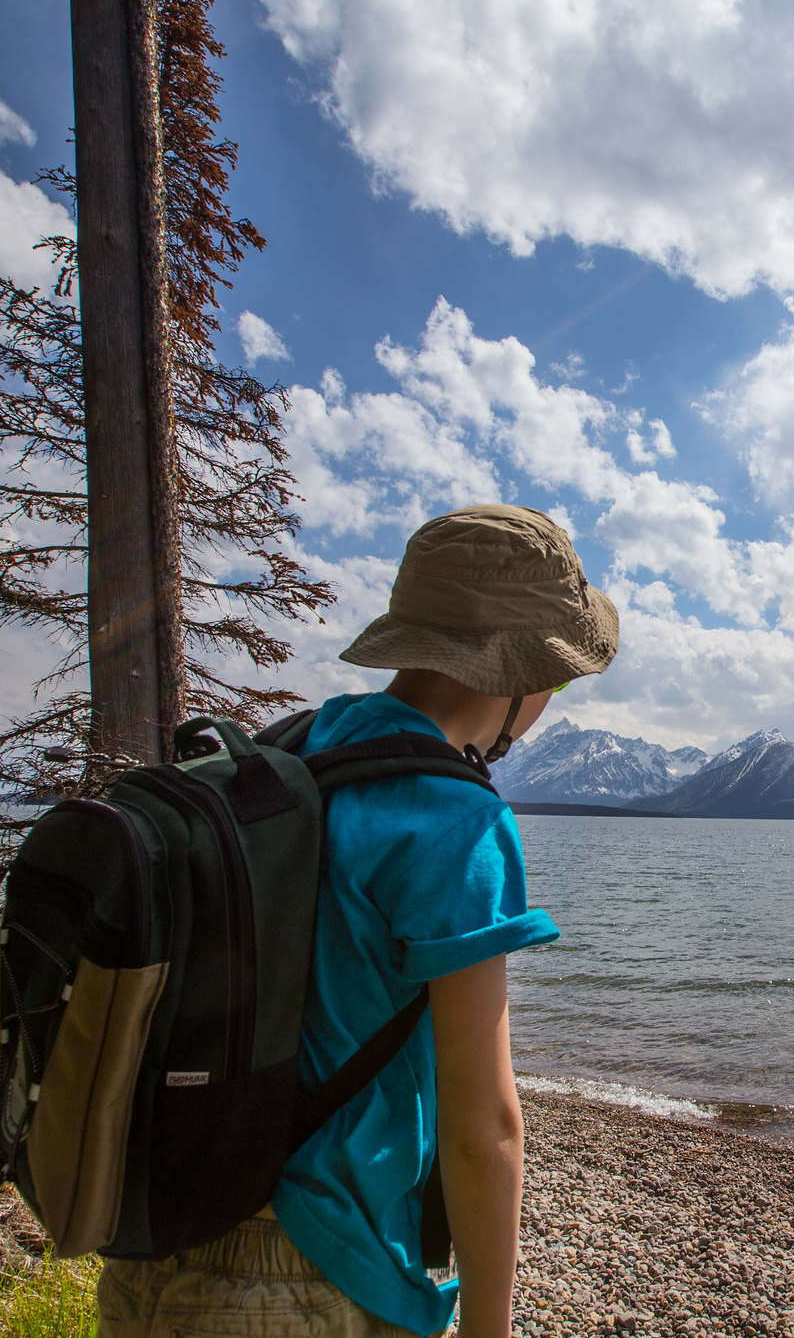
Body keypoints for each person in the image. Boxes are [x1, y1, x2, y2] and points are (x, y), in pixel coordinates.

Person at [97, 504, 619, 1338]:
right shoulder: (456, 817)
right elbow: (484, 1124)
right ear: (522, 669)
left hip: (158, 1234)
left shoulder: (293, 751)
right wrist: (492, 1326)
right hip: (314, 1274)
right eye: (559, 671)